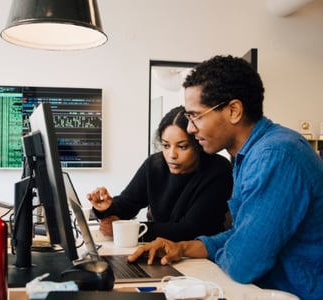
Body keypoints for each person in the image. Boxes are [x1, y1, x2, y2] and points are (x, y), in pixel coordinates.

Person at [128, 55, 323, 300]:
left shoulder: (275, 156)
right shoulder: (250, 155)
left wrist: (229, 249)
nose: (190, 128)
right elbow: (241, 235)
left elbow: (243, 264)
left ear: (233, 111)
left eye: (195, 116)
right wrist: (183, 247)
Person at [87, 106, 233, 242]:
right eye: (166, 145)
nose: (171, 155)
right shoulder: (154, 165)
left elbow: (190, 230)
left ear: (198, 145)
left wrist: (129, 231)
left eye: (182, 147)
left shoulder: (218, 170)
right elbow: (127, 204)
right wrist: (106, 208)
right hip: (162, 250)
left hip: (202, 258)